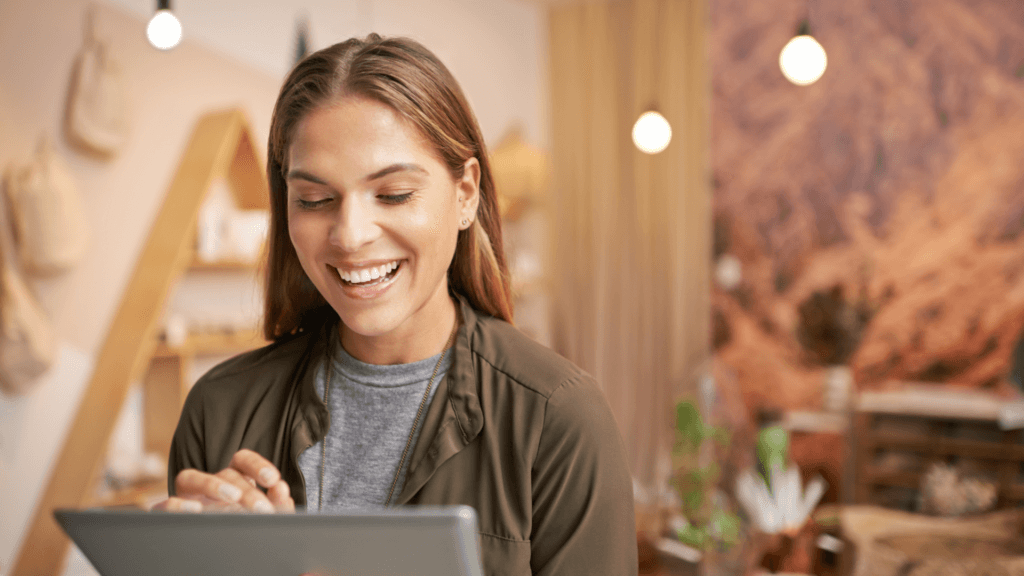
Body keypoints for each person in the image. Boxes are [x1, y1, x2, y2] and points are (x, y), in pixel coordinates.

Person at [156, 34, 637, 575]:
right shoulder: (219, 411)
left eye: (393, 194)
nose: (351, 235)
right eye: (314, 200)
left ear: (465, 193)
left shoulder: (558, 420)